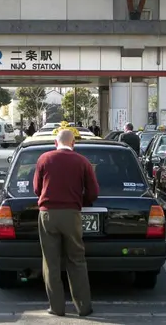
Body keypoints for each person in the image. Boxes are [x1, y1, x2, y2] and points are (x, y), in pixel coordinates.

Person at [33, 129, 99, 317]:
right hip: (72, 214)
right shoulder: (82, 162)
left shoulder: (44, 159)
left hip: (47, 215)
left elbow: (37, 188)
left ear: (55, 143)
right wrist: (80, 202)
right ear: (73, 144)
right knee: (76, 260)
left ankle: (56, 307)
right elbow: (93, 192)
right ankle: (83, 307)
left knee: (51, 262)